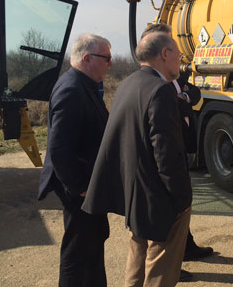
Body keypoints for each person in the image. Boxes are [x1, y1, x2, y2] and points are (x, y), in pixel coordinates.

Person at [82, 32, 192, 287]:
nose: (180, 59)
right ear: (165, 54)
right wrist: (182, 198)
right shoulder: (161, 90)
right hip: (159, 197)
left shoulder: (128, 83)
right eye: (177, 53)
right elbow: (166, 154)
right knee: (161, 267)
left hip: (135, 191)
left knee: (137, 256)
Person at [37, 33, 112, 287]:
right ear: (87, 58)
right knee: (77, 251)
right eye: (106, 58)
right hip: (79, 187)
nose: (110, 64)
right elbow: (59, 149)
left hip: (89, 184)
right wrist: (79, 186)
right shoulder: (71, 89)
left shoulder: (84, 85)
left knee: (92, 243)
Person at [141, 23, 214, 264]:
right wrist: (182, 99)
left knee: (180, 213)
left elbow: (194, 93)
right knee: (171, 207)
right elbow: (177, 103)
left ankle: (187, 246)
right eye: (171, 46)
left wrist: (183, 96)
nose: (177, 53)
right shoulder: (153, 81)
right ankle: (173, 262)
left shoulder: (174, 75)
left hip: (181, 142)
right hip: (167, 151)